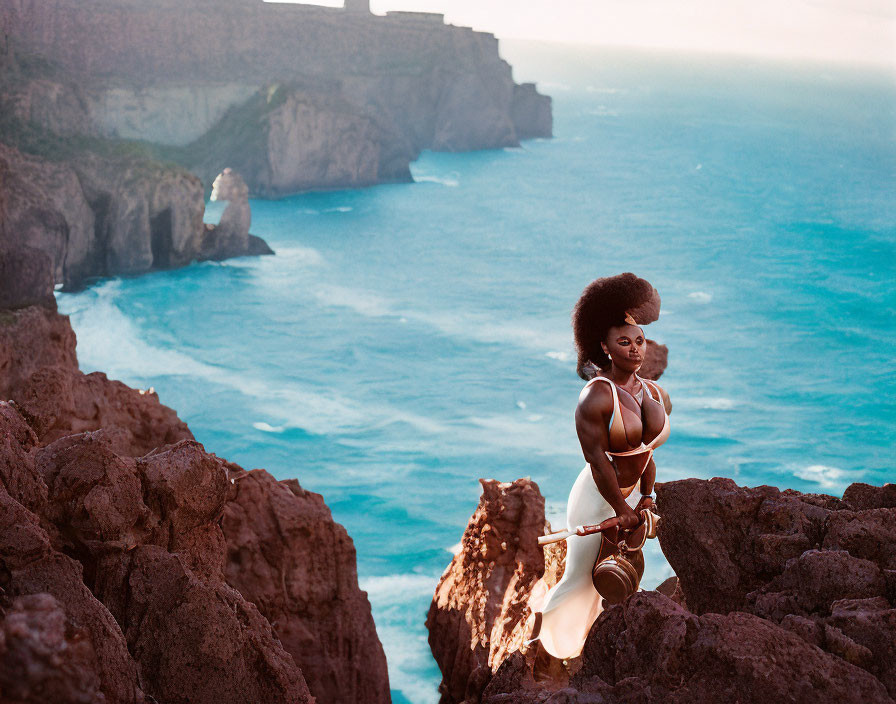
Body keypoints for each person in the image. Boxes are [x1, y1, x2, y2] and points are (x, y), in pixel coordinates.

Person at [526, 272, 672, 663]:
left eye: (639, 341)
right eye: (623, 342)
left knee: (619, 571)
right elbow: (597, 461)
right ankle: (546, 644)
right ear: (605, 348)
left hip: (628, 496)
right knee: (581, 575)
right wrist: (621, 510)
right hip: (595, 495)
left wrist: (646, 497)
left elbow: (646, 454)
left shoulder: (655, 393)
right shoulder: (595, 398)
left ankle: (596, 646)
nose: (635, 349)